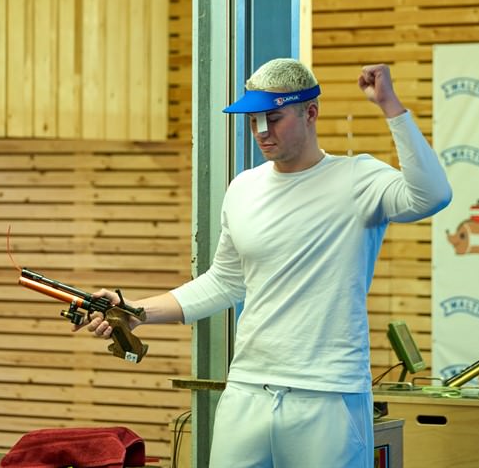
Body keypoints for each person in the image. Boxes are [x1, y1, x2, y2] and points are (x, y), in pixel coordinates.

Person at [81, 58, 452, 467]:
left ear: (311, 113)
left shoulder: (358, 179)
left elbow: (431, 195)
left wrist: (391, 107)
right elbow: (224, 281)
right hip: (247, 389)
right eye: (253, 119)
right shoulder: (244, 188)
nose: (261, 131)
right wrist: (136, 311)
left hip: (328, 393)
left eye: (273, 119)